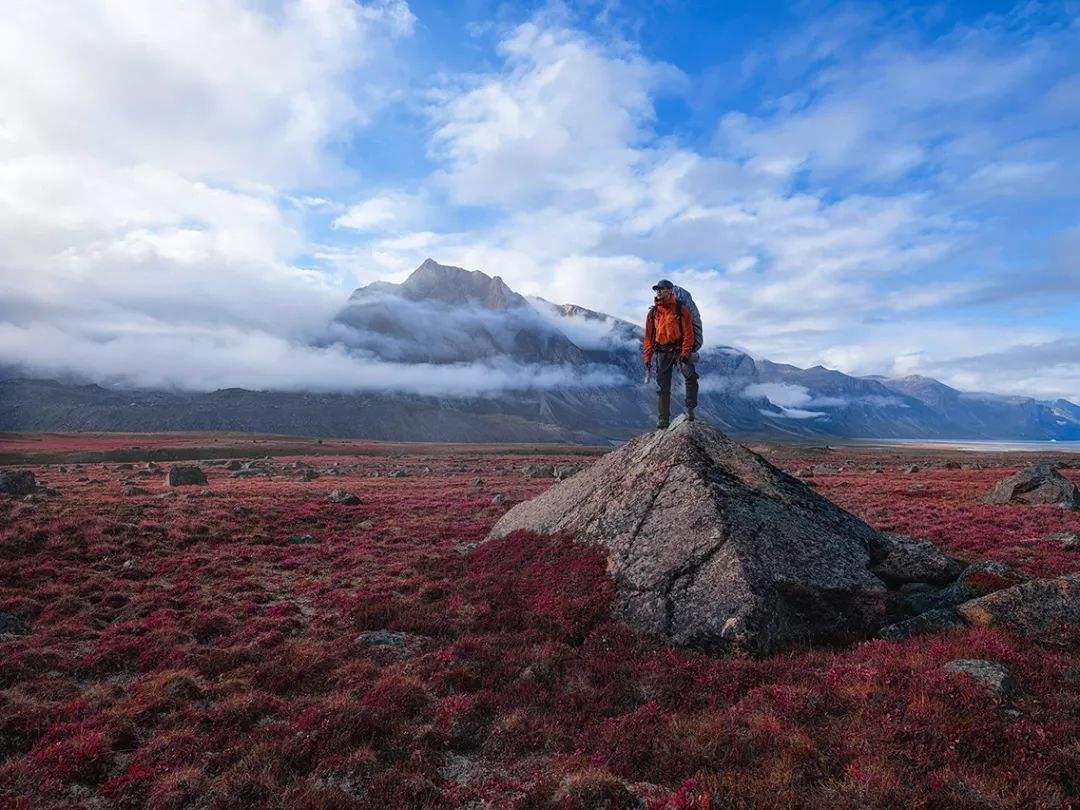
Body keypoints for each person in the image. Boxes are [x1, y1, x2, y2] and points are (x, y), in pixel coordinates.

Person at [643, 279, 699, 429]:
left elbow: (689, 333)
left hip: (679, 350)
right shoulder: (653, 313)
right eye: (657, 290)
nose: (658, 292)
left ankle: (690, 410)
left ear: (670, 290)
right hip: (661, 352)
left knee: (690, 376)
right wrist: (647, 358)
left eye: (661, 289)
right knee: (663, 387)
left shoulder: (681, 309)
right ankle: (663, 420)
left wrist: (685, 352)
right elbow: (648, 338)